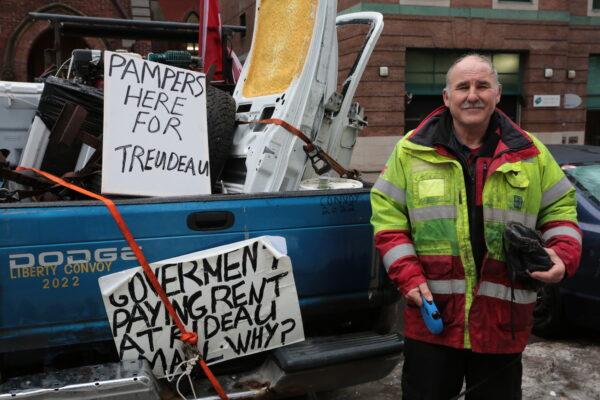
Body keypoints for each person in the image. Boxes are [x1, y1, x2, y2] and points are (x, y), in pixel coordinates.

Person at [370, 54, 582, 399]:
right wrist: (407, 275)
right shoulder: (410, 152)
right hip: (433, 320)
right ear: (446, 97)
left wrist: (562, 253)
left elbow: (560, 207)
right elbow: (388, 217)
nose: (473, 95)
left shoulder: (530, 153)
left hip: (503, 322)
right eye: (463, 86)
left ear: (498, 94)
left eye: (482, 86)